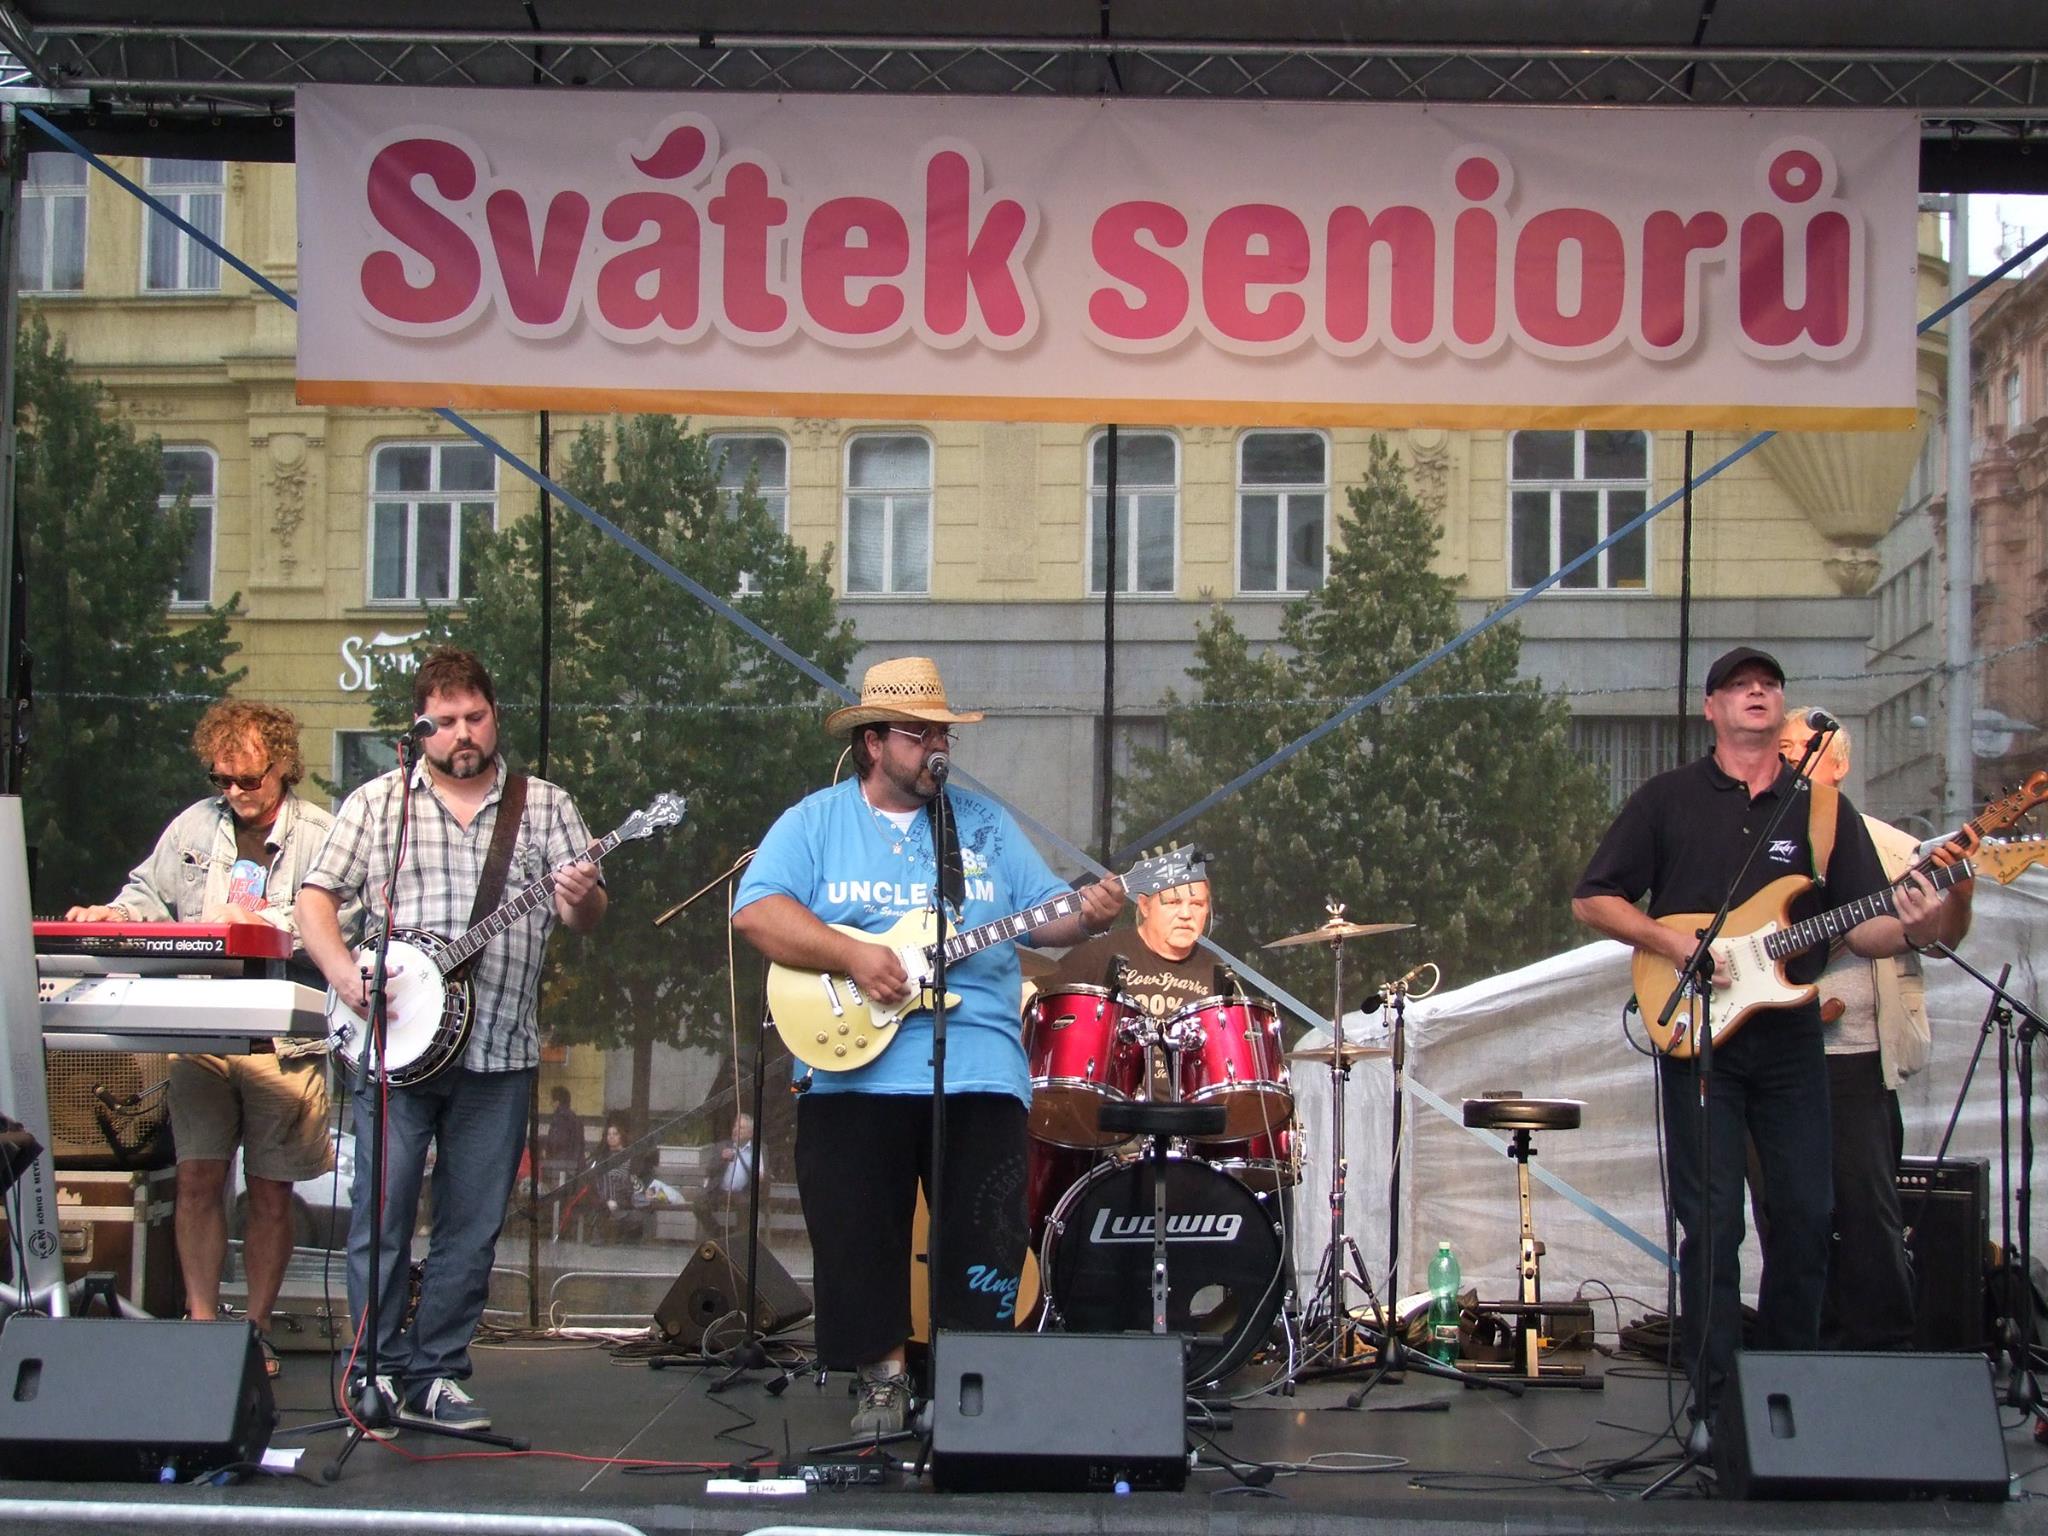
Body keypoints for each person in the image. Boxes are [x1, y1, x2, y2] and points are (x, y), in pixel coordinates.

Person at [731, 656, 1125, 1435]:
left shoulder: (983, 825)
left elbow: (1046, 917)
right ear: (873, 742)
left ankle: (970, 1385)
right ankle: (882, 1383)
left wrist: (1089, 913)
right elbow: (757, 912)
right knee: (858, 1233)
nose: (936, 746)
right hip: (851, 1073)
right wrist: (853, 956)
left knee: (986, 1232)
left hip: (978, 1067)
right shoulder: (816, 822)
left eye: (942, 733)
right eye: (918, 734)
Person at [1571, 646, 1963, 1417]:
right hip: (1702, 1037)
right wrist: (1673, 942)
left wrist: (1920, 925)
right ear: (1712, 709)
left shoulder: (1822, 810)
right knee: (1712, 1223)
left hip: (1791, 1038)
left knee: (1808, 1216)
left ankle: (1788, 1395)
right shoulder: (1668, 798)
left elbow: (1866, 926)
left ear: (1781, 708)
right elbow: (1594, 898)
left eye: (1769, 685)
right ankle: (1717, 1405)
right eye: (1739, 685)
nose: (1756, 692)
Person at [297, 646, 608, 1432]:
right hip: (392, 1051)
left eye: (476, 717)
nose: (463, 733)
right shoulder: (377, 804)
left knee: (470, 1228)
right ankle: (373, 1369)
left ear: (495, 715)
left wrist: (579, 895)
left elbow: (585, 916)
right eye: (445, 722)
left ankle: (434, 1373)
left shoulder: (545, 805)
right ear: (420, 726)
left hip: (497, 1051)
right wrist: (342, 975)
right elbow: (314, 901)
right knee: (383, 1215)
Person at [65, 700, 337, 1379]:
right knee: (196, 1178)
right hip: (202, 1029)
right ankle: (202, 1323)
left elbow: (348, 923)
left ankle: (255, 1332)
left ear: (283, 765)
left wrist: (269, 924)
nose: (235, 791)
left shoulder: (321, 834)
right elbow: (146, 894)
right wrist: (115, 915)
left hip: (282, 1039)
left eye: (249, 778)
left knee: (270, 1192)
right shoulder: (194, 825)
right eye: (222, 779)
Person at [1776, 707, 1972, 1350]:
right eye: (1783, 749)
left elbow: (1939, 941)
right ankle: (1800, 1350)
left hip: (1855, 1053)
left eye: (1803, 749)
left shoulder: (1890, 848)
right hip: (1771, 1049)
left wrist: (1956, 896)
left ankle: (1884, 1349)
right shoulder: (1759, 838)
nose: (1790, 759)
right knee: (1787, 1215)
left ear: (1838, 765)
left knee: (1868, 1213)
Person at [1047, 872, 1215, 1098]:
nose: (1186, 914)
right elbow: (1033, 999)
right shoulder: (1103, 953)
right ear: (1145, 906)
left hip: (1190, 1111)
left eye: (1197, 904)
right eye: (1173, 902)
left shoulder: (1216, 969)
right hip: (1110, 1107)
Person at [690, 1111, 758, 1237]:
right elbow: (710, 1171)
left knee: (746, 1204)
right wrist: (722, 1159)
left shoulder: (757, 1150)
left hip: (742, 1191)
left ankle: (739, 1239)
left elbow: (763, 1173)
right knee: (699, 1204)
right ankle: (717, 1233)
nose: (736, 1130)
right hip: (719, 1190)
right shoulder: (722, 1146)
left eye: (741, 1128)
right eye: (735, 1127)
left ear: (750, 1133)